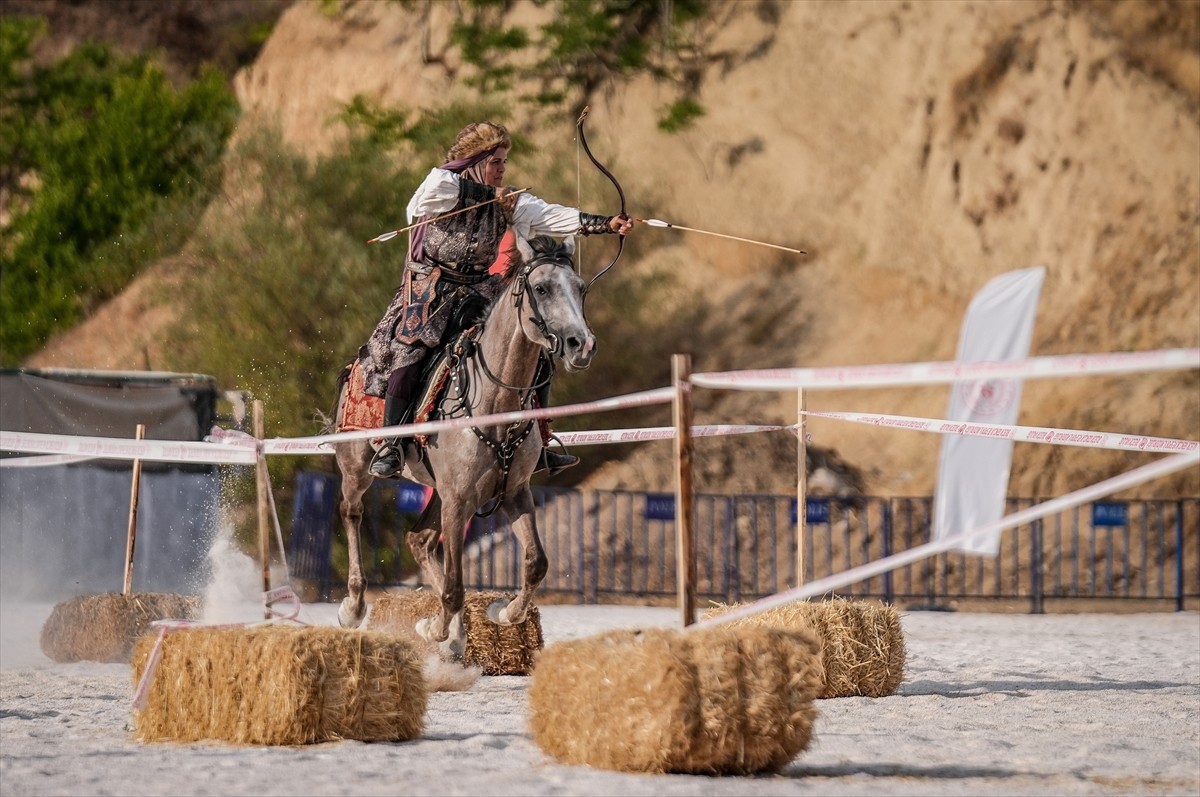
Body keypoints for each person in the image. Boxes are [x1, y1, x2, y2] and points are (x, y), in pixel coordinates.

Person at [360, 120, 633, 479]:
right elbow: (427, 195)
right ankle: (393, 444)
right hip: (430, 289)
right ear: (473, 163)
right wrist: (486, 194)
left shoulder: (509, 202)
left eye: (504, 161)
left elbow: (552, 215)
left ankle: (540, 441)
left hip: (480, 289)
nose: (502, 168)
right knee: (409, 351)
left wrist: (606, 223)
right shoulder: (443, 186)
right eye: (495, 162)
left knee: (533, 345)